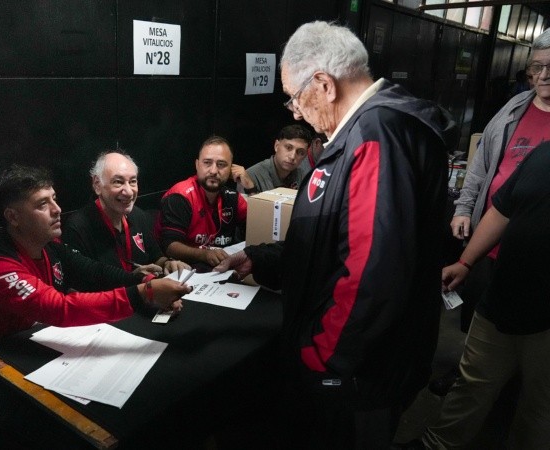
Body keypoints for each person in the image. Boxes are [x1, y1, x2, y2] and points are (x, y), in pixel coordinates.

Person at [214, 21, 457, 448]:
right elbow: (335, 240)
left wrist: (321, 356)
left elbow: (372, 274)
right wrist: (264, 258)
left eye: (294, 97)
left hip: (356, 375)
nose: (294, 112)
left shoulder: (374, 136)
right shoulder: (376, 128)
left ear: (324, 85)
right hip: (365, 365)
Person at [0, 164, 190, 447]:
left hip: (33, 352)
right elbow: (59, 308)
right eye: (42, 204)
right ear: (13, 217)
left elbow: (95, 273)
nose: (57, 209)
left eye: (54, 199)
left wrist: (144, 283)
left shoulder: (49, 244)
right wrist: (144, 294)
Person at [433, 29, 550, 395]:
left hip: (534, 255)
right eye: (537, 67)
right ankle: (468, 375)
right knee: (477, 317)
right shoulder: (514, 109)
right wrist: (464, 208)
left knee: (526, 329)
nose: (544, 75)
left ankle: (512, 387)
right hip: (487, 241)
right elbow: (482, 165)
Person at [419, 141, 550, 449]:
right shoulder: (543, 153)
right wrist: (465, 262)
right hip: (502, 297)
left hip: (546, 320)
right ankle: (437, 445)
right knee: (471, 382)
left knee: (540, 404)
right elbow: (502, 212)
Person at [63, 151, 190, 275]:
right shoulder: (78, 228)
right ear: (97, 185)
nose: (129, 192)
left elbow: (156, 257)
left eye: (133, 181)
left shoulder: (139, 215)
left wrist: (168, 264)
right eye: (118, 182)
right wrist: (133, 280)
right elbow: (84, 284)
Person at [158, 136, 247, 268]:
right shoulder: (180, 196)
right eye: (207, 163)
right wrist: (204, 255)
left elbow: (257, 227)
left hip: (222, 268)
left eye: (221, 164)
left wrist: (251, 188)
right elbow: (170, 246)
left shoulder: (233, 197)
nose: (213, 171)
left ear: (230, 169)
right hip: (185, 269)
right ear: (197, 165)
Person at [232, 124, 314, 194]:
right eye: (288, 148)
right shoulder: (251, 176)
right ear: (276, 146)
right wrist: (251, 189)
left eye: (300, 152)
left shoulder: (304, 177)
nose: (292, 156)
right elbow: (246, 207)